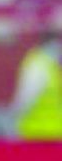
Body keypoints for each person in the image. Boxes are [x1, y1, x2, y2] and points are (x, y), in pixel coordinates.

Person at [11, 8, 62, 140]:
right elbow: (24, 101)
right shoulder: (38, 65)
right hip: (36, 135)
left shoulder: (51, 65)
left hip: (51, 134)